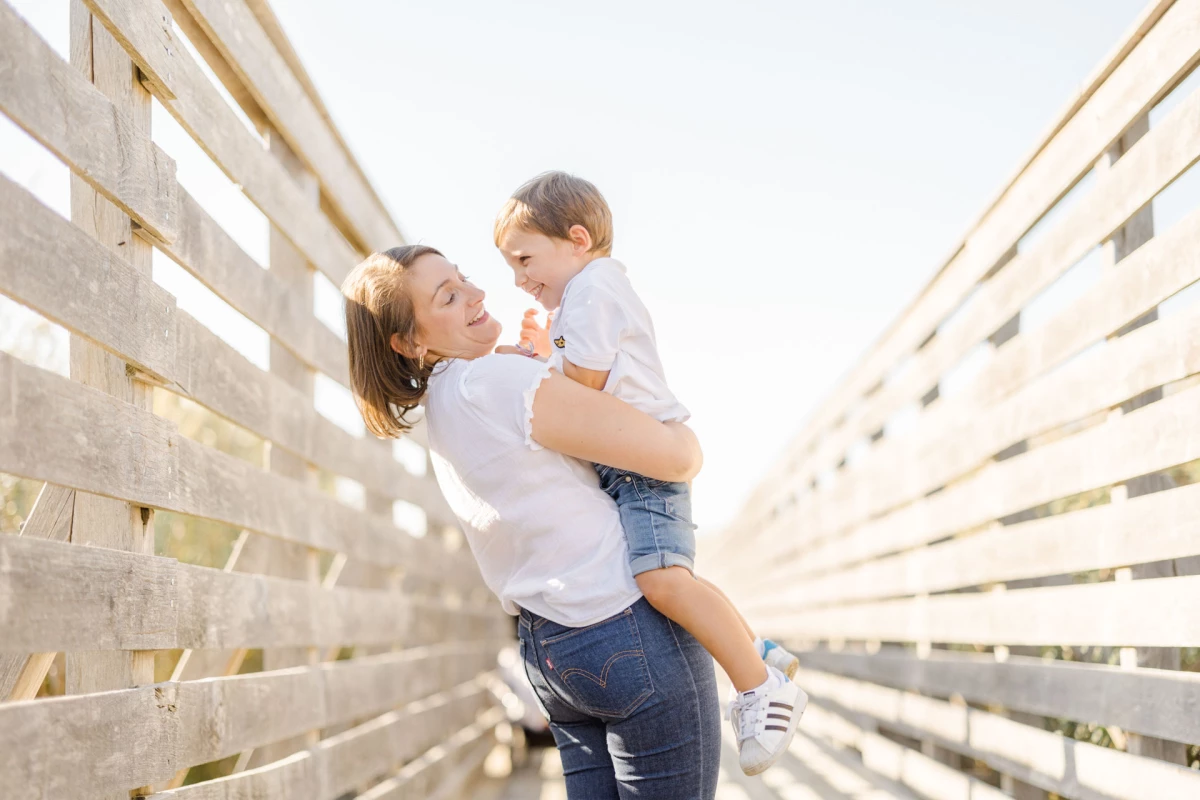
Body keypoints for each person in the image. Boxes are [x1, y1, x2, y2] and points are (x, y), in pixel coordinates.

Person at [342, 244, 720, 798]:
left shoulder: (445, 408)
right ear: (410, 342)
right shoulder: (497, 382)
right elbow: (677, 458)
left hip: (552, 649)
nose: (476, 294)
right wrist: (681, 432)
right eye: (448, 297)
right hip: (623, 623)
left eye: (463, 279)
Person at [494, 171, 805, 775]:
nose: (519, 278)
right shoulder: (588, 293)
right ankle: (756, 649)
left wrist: (534, 367)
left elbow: (582, 388)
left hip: (641, 468)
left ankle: (761, 687)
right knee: (674, 577)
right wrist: (548, 356)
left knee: (662, 582)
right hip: (632, 466)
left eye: (525, 259)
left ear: (577, 239)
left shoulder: (593, 286)